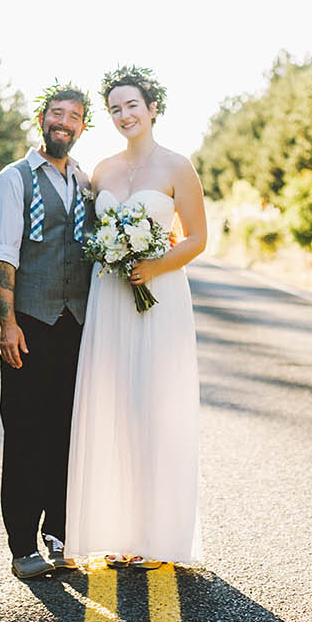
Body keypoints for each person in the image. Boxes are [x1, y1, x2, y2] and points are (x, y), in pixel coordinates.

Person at [66, 65, 207, 568]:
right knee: (116, 409)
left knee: (155, 409)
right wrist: (112, 252)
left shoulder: (177, 166)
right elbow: (87, 234)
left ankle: (158, 537)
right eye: (115, 109)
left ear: (152, 109)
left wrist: (153, 265)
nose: (124, 115)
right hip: (111, 297)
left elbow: (197, 238)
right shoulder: (101, 170)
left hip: (159, 296)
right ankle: (119, 531)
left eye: (132, 106)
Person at [0, 84, 97, 580]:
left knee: (67, 431)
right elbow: (3, 255)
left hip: (78, 325)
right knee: (26, 433)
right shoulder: (13, 180)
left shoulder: (86, 182)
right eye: (57, 113)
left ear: (82, 126)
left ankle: (59, 531)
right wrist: (7, 322)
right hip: (30, 323)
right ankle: (21, 545)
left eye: (74, 116)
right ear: (42, 119)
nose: (64, 122)